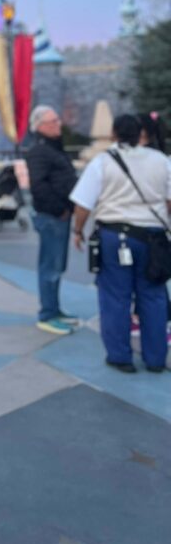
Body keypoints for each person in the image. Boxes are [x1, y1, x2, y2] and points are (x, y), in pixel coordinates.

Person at [70, 114, 171, 373]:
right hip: (153, 238)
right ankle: (156, 358)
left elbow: (83, 204)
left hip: (114, 237)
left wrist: (78, 231)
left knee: (115, 298)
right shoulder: (161, 161)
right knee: (154, 297)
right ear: (140, 134)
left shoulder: (102, 163)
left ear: (114, 134)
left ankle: (120, 356)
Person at [25, 105, 79, 336]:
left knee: (57, 264)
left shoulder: (53, 148)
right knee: (50, 265)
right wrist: (60, 209)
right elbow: (38, 186)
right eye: (53, 121)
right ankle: (47, 313)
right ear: (40, 126)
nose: (58, 124)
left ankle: (54, 309)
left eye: (57, 120)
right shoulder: (39, 151)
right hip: (51, 216)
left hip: (60, 215)